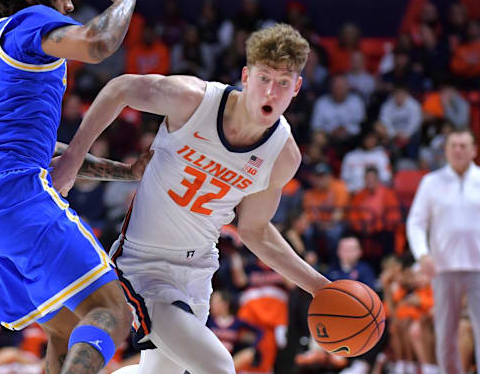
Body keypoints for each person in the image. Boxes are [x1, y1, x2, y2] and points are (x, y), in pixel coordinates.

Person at [53, 23, 330, 374]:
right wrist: (75, 158)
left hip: (198, 271)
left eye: (283, 83)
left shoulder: (282, 156)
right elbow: (119, 89)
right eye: (264, 78)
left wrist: (318, 285)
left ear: (297, 89)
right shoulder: (193, 100)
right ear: (246, 76)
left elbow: (255, 231)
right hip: (143, 264)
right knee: (217, 366)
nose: (271, 92)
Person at [0, 0, 140, 373]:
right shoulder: (31, 21)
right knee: (112, 313)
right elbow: (99, 42)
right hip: (11, 200)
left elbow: (36, 147)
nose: (70, 7)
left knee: (66, 330)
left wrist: (128, 172)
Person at [407, 128, 480, 374]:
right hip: (443, 268)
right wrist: (422, 255)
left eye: (463, 146)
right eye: (453, 145)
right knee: (446, 331)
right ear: (445, 150)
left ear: (475, 150)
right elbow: (415, 223)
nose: (458, 150)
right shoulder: (431, 182)